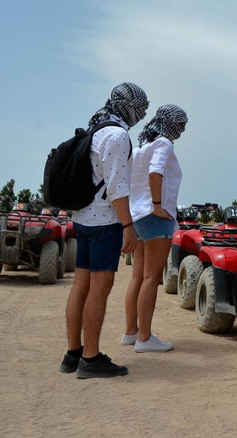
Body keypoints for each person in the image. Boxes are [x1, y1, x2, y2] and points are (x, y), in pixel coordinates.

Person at [60, 82, 149, 379]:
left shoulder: (96, 127)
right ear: (128, 106)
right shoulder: (117, 134)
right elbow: (117, 187)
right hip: (104, 223)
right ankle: (91, 358)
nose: (142, 114)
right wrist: (128, 226)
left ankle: (73, 354)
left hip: (83, 217)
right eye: (140, 108)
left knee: (80, 286)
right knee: (100, 288)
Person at [123, 105, 188, 353]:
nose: (181, 130)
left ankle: (131, 332)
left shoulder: (141, 147)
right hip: (155, 216)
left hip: (138, 215)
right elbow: (156, 172)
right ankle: (145, 338)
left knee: (138, 277)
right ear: (170, 123)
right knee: (151, 278)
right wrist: (158, 205)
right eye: (180, 125)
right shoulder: (163, 144)